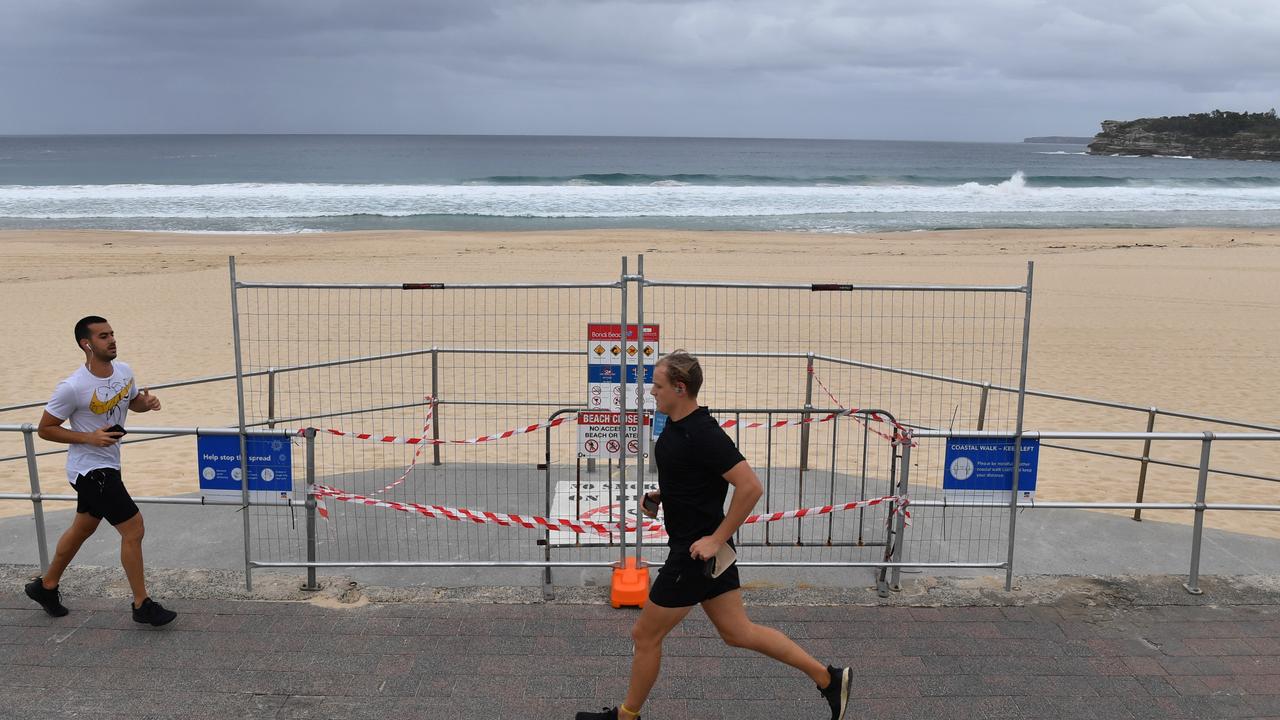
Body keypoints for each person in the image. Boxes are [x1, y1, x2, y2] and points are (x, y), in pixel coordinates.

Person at [577, 350, 851, 720]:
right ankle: (828, 679)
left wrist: (716, 539)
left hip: (695, 555)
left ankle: (626, 717)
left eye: (657, 386)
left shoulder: (702, 433)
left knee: (645, 635)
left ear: (680, 387)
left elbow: (750, 486)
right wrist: (663, 497)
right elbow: (696, 478)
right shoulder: (676, 424)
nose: (651, 393)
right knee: (738, 632)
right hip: (705, 553)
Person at [24, 316, 177, 626]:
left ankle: (45, 586)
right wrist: (88, 437)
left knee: (83, 527)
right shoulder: (72, 387)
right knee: (133, 528)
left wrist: (146, 404)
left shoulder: (125, 371)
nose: (112, 340)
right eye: (103, 336)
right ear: (87, 344)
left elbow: (131, 402)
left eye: (112, 334)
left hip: (110, 464)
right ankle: (141, 604)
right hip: (89, 469)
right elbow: (45, 429)